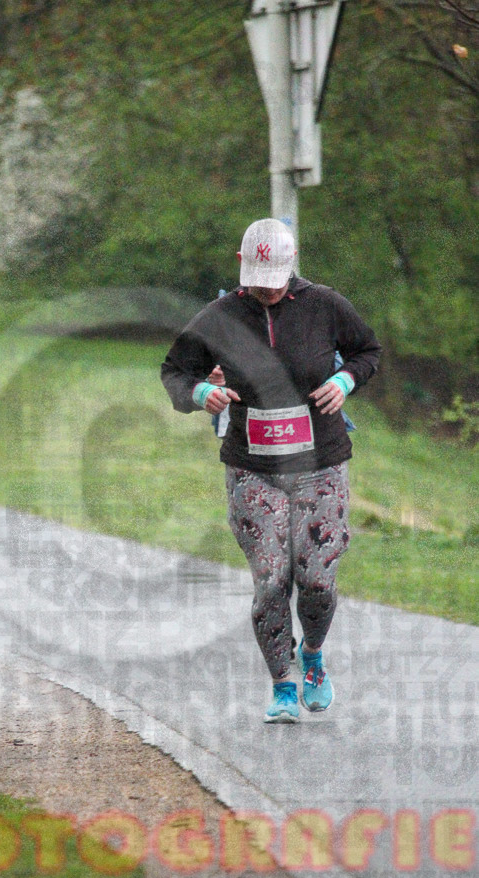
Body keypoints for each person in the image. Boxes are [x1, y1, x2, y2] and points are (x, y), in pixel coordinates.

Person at [160, 218, 382, 723]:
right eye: (259, 276)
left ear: (293, 262)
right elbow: (176, 369)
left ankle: (312, 656)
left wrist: (346, 380)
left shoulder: (326, 305)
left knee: (318, 580)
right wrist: (200, 394)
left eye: (277, 276)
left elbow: (370, 351)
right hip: (252, 469)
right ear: (242, 265)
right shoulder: (220, 315)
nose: (269, 287)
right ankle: (283, 685)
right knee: (272, 580)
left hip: (321, 463)